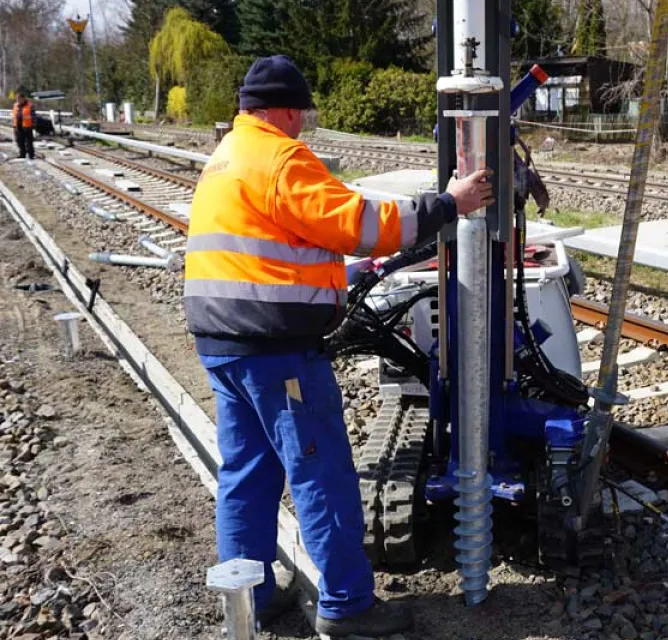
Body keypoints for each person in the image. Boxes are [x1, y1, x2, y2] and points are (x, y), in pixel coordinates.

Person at [183, 55, 494, 637]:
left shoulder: (226, 156)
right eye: (300, 112)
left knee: (246, 473)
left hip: (223, 344)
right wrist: (448, 204)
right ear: (282, 109)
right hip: (276, 349)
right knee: (319, 474)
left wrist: (336, 278)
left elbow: (271, 244)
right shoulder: (280, 156)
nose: (303, 123)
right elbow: (356, 222)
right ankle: (348, 605)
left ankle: (252, 597)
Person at [12, 92, 34, 160]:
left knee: (29, 142)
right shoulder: (15, 105)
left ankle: (31, 155)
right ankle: (22, 154)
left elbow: (33, 116)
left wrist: (34, 125)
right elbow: (14, 115)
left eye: (19, 99)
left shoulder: (29, 105)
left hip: (27, 126)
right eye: (17, 99)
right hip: (18, 126)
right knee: (19, 141)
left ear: (23, 98)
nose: (18, 100)